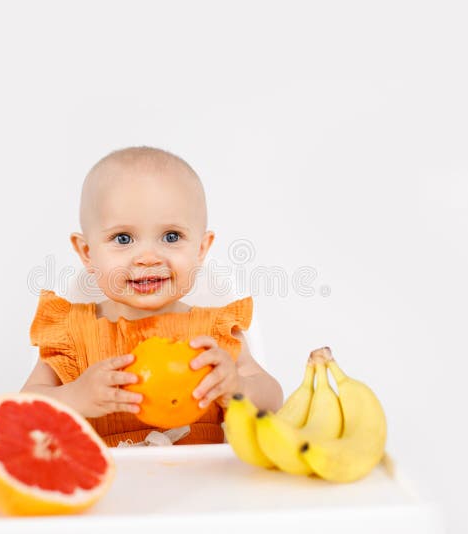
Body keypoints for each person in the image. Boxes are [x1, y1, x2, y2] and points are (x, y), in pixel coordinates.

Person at [22, 146, 283, 446]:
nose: (147, 257)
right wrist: (74, 397)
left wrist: (238, 388)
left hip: (205, 484)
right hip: (108, 486)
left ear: (200, 249)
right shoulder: (71, 334)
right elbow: (24, 408)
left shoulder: (212, 334)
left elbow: (273, 398)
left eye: (171, 237)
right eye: (123, 238)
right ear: (87, 253)